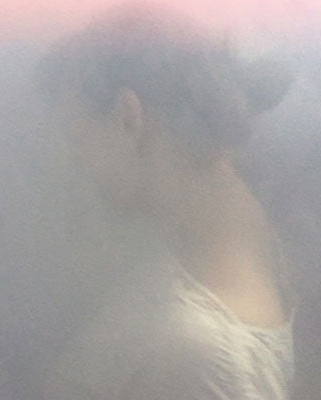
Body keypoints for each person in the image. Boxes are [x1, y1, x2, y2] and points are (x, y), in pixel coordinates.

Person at [38, 4, 297, 399]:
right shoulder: (242, 220)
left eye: (77, 136)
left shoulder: (197, 356)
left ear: (128, 117)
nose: (74, 160)